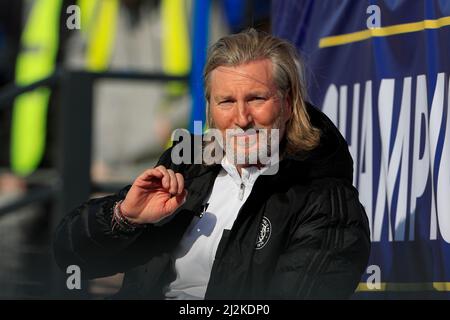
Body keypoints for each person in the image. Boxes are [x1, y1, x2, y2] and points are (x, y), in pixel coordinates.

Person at [53, 29, 370, 299]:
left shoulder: (326, 200)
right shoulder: (188, 166)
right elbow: (72, 258)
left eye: (257, 99)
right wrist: (125, 217)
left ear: (287, 105)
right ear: (210, 109)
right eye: (227, 102)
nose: (241, 119)